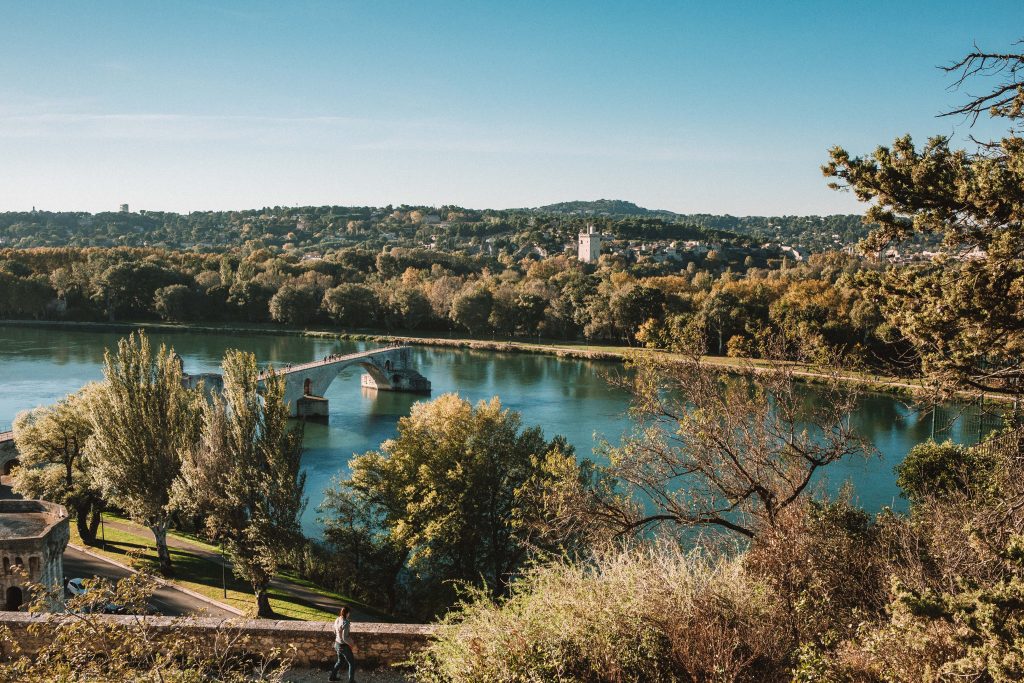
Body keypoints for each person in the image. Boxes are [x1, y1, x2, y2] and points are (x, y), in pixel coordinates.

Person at [329, 606, 357, 682]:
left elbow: (334, 631)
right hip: (344, 646)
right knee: (352, 663)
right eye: (349, 613)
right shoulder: (346, 622)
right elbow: (345, 638)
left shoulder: (337, 619)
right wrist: (352, 644)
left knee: (340, 661)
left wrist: (339, 635)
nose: (349, 614)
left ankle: (332, 677)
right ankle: (351, 681)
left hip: (337, 644)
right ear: (347, 613)